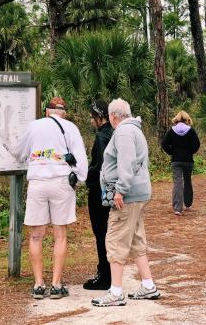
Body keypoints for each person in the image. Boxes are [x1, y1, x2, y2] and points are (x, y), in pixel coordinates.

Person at [11, 96, 88, 299]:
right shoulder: (70, 128)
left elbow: (18, 152)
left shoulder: (34, 126)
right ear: (63, 113)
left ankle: (38, 285)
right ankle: (55, 284)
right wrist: (78, 179)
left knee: (36, 235)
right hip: (61, 183)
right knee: (60, 235)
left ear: (47, 111)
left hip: (37, 183)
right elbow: (81, 160)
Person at [91, 98, 161, 307]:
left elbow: (127, 162)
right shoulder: (135, 129)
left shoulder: (122, 132)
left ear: (113, 116)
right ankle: (148, 285)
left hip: (127, 196)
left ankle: (116, 292)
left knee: (115, 240)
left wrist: (120, 190)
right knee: (136, 240)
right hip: (139, 193)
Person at [83, 99, 114, 290]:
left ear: (99, 117)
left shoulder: (102, 136)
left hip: (98, 190)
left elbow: (101, 166)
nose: (91, 120)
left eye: (92, 116)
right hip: (109, 189)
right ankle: (107, 272)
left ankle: (104, 276)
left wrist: (85, 174)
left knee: (100, 232)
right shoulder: (114, 132)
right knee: (107, 233)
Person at [161, 111, 201, 216]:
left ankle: (177, 208)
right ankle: (187, 203)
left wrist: (172, 152)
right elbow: (197, 144)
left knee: (178, 183)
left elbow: (164, 144)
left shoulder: (171, 131)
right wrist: (190, 152)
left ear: (176, 119)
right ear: (187, 119)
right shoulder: (191, 131)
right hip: (188, 160)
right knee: (187, 180)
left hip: (176, 160)